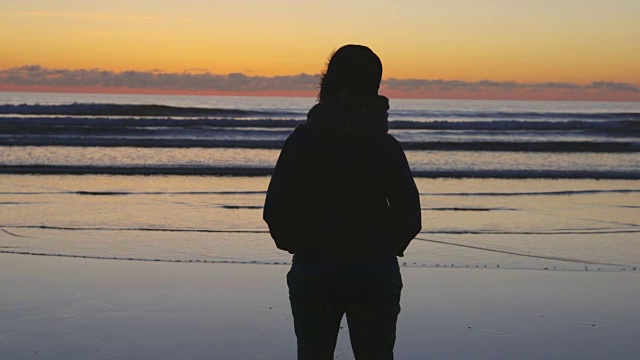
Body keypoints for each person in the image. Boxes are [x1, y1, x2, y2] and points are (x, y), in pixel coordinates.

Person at [263, 44, 421, 360]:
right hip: (375, 269)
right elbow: (409, 217)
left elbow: (276, 212)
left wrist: (299, 244)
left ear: (327, 84)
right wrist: (386, 246)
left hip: (315, 267)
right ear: (375, 88)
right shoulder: (386, 146)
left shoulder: (301, 143)